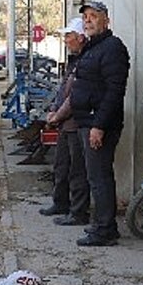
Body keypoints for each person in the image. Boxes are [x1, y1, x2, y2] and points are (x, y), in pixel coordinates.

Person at [68, 1, 129, 246]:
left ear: (107, 21)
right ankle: (103, 225)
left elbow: (115, 91)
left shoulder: (112, 48)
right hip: (87, 121)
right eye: (86, 18)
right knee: (96, 176)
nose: (88, 21)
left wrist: (99, 125)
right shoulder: (93, 47)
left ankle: (105, 229)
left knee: (100, 177)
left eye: (94, 16)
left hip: (98, 124)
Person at [39, 17, 89, 226]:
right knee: (61, 166)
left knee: (77, 170)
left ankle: (78, 213)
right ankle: (60, 203)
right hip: (65, 124)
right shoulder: (73, 60)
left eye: (69, 36)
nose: (66, 40)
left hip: (76, 123)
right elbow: (63, 91)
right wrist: (53, 109)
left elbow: (75, 97)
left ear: (80, 38)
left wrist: (57, 115)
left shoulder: (86, 61)